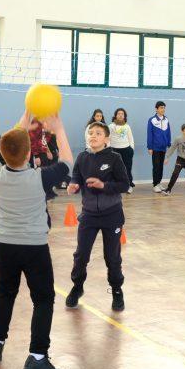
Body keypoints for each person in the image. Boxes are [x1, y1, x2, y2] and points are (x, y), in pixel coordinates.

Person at [0, 110, 72, 369]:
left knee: (5, 292)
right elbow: (67, 162)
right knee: (43, 299)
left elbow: (4, 149)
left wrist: (24, 118)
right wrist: (59, 128)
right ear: (28, 155)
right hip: (34, 246)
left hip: (4, 245)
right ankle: (37, 357)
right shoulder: (40, 178)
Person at [65, 121, 130, 311]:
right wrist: (73, 186)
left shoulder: (115, 158)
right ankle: (77, 287)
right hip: (89, 215)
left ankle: (116, 290)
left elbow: (124, 184)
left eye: (98, 133)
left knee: (112, 256)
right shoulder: (82, 157)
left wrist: (104, 186)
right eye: (91, 133)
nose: (93, 136)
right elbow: (76, 178)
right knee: (81, 254)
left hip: (112, 215)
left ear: (107, 139)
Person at [108, 107, 135, 194]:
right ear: (115, 115)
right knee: (114, 169)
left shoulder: (127, 126)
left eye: (122, 114)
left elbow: (131, 138)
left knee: (127, 169)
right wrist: (108, 149)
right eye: (119, 114)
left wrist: (131, 149)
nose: (120, 115)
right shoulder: (111, 126)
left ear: (124, 116)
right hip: (114, 150)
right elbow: (108, 138)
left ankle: (129, 185)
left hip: (126, 150)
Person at [146, 101, 171, 193]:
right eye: (161, 108)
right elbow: (149, 134)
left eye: (164, 107)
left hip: (163, 147)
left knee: (161, 166)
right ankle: (155, 184)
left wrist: (168, 144)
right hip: (155, 148)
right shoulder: (152, 120)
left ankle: (159, 182)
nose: (163, 109)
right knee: (156, 166)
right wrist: (149, 147)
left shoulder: (166, 119)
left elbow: (168, 133)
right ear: (156, 109)